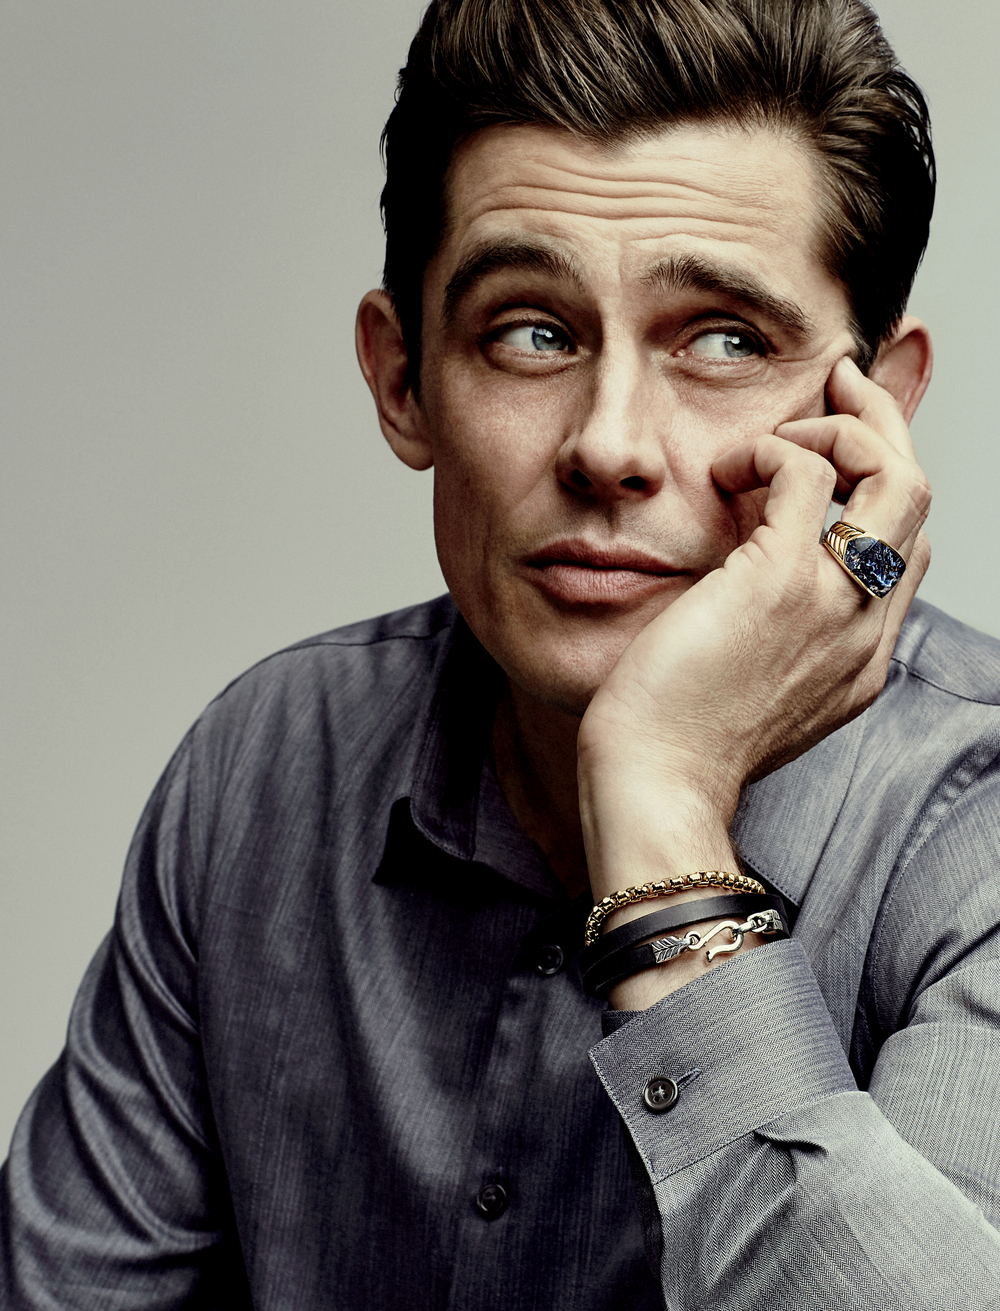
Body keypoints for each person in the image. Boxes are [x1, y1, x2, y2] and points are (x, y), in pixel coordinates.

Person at [3, 0, 1000, 1306]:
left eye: (724, 339)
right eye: (532, 330)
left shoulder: (978, 834)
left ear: (882, 406)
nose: (609, 445)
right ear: (402, 379)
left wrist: (661, 807)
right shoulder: (265, 762)